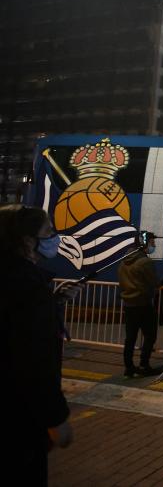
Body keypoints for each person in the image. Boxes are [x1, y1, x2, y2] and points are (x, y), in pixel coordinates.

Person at [0, 204, 81, 484]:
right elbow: (33, 361)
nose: (55, 238)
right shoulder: (28, 287)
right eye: (48, 231)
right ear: (26, 240)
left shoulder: (17, 280)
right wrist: (56, 418)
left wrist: (53, 301)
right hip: (18, 420)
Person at [118, 231, 159, 378]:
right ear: (144, 244)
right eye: (152, 243)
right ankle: (144, 364)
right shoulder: (145, 262)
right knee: (150, 335)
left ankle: (129, 368)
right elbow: (154, 282)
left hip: (128, 304)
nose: (153, 246)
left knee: (130, 338)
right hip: (143, 304)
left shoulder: (124, 260)